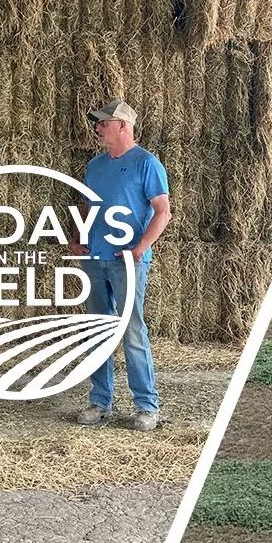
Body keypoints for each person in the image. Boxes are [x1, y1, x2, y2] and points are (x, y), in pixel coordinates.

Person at [72, 99, 172, 432]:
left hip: (126, 263)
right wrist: (79, 238)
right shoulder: (96, 166)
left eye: (103, 123)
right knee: (98, 330)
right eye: (97, 123)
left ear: (123, 126)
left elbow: (163, 212)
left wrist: (139, 249)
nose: (97, 128)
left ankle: (146, 405)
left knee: (132, 331)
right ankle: (101, 401)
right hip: (95, 260)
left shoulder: (147, 163)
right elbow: (88, 209)